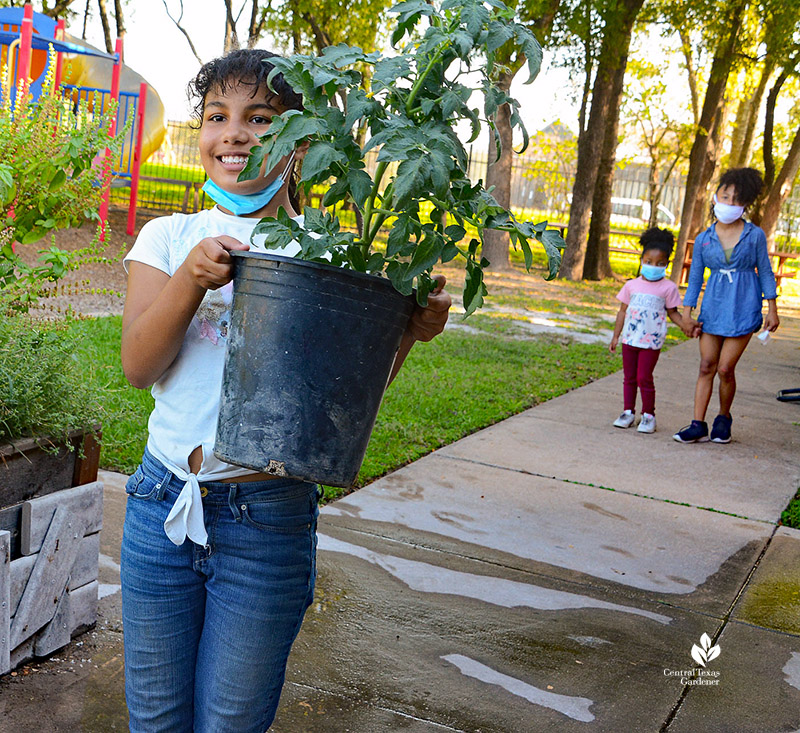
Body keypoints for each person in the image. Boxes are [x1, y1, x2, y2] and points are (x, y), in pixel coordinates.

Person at [118, 48, 452, 733]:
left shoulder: (326, 254)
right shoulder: (169, 236)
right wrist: (189, 280)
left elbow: (339, 402)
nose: (233, 133)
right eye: (218, 116)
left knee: (231, 719)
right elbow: (138, 365)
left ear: (301, 140)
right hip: (161, 507)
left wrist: (409, 332)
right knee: (154, 718)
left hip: (266, 522)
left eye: (260, 117)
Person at [673, 167, 779, 444]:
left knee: (725, 369)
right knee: (707, 365)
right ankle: (697, 424)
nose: (729, 203)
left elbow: (766, 271)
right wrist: (687, 314)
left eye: (736, 199)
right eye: (725, 196)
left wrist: (772, 308)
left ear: (745, 204)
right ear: (715, 197)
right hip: (713, 308)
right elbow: (695, 278)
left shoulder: (754, 235)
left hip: (744, 307)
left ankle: (723, 418)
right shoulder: (704, 239)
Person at [609, 227, 690, 433]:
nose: (653, 266)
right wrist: (616, 336)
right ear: (641, 260)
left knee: (644, 377)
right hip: (630, 340)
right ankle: (628, 412)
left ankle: (648, 416)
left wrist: (686, 326)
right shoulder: (631, 286)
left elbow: (673, 313)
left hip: (650, 343)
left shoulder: (668, 288)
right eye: (649, 262)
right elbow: (622, 311)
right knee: (629, 377)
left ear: (666, 264)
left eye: (660, 264)